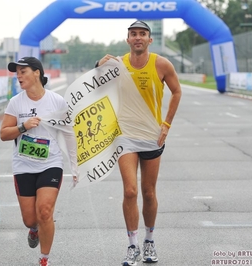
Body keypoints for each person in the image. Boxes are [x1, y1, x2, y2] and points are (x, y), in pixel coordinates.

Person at [95, 20, 182, 265]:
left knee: (149, 192)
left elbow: (177, 91)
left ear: (149, 39)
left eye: (142, 34)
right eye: (133, 34)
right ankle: (132, 246)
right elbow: (94, 87)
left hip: (152, 136)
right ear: (128, 39)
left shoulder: (161, 64)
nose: (138, 38)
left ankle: (149, 241)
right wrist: (97, 66)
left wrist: (167, 124)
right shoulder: (118, 64)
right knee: (130, 191)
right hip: (125, 136)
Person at [0, 57, 78, 266]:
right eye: (17, 72)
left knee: (45, 211)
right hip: (23, 165)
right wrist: (23, 127)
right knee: (30, 219)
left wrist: (75, 165)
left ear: (37, 73)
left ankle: (44, 259)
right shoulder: (16, 102)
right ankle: (34, 230)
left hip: (50, 163)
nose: (18, 76)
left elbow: (69, 133)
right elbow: (4, 134)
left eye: (23, 71)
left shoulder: (56, 101)